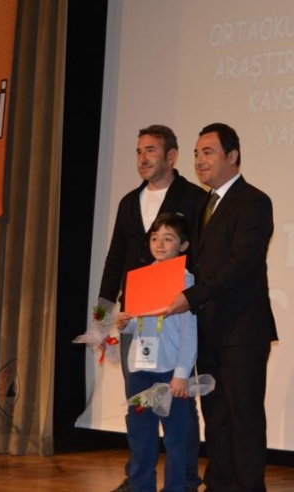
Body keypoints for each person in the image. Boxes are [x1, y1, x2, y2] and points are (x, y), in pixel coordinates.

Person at [165, 122, 278, 492]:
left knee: (244, 415)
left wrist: (191, 297)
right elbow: (192, 264)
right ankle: (219, 484)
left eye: (208, 152)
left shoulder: (254, 201)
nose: (200, 160)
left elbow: (240, 264)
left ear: (233, 156)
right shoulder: (202, 205)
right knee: (215, 416)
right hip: (207, 329)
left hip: (242, 331)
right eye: (196, 153)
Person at [97, 124, 207, 492]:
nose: (143, 158)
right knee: (139, 407)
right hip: (136, 320)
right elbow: (116, 256)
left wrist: (194, 296)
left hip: (176, 316)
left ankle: (185, 481)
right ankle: (138, 480)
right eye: (139, 151)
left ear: (171, 156)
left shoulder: (194, 197)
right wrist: (104, 315)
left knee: (179, 410)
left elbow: (203, 256)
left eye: (151, 150)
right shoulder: (130, 201)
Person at [117, 213, 198, 492]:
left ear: (183, 245)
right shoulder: (141, 277)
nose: (160, 244)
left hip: (169, 372)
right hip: (140, 370)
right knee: (141, 436)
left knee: (175, 438)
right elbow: (137, 324)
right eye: (155, 238)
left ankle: (176, 487)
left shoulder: (186, 281)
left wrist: (181, 374)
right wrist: (125, 324)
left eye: (168, 238)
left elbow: (189, 333)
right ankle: (141, 487)